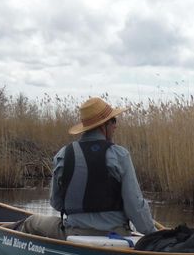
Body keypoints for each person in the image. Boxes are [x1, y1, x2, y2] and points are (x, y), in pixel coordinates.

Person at [15, 96, 157, 239]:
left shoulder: (63, 155)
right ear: (103, 125)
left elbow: (56, 203)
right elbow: (135, 206)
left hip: (73, 232)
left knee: (31, 222)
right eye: (113, 121)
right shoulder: (120, 155)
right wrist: (153, 234)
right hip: (116, 233)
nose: (116, 126)